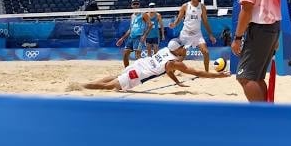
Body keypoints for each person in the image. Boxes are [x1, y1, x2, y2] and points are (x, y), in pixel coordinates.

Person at [232, 0, 282, 102]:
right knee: (257, 77)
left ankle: (263, 118)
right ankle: (266, 113)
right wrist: (275, 37)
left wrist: (237, 38)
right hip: (273, 27)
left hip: (260, 28)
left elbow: (246, 9)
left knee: (244, 76)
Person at [82, 38, 228, 91]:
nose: (185, 49)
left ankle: (86, 84)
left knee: (115, 77)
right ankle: (82, 86)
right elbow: (198, 73)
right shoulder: (175, 63)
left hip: (138, 65)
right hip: (138, 74)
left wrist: (177, 82)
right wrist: (218, 76)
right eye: (183, 47)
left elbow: (168, 71)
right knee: (110, 86)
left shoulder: (166, 50)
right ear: (177, 49)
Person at [169, 0, 217, 72]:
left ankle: (206, 72)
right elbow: (179, 18)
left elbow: (205, 21)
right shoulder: (185, 6)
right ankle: (172, 70)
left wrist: (210, 34)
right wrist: (174, 24)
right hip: (186, 33)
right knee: (182, 55)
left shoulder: (202, 7)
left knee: (206, 52)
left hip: (197, 34)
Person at [116, 0, 152, 67]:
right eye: (134, 4)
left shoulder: (143, 14)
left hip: (139, 37)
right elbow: (130, 29)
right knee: (125, 54)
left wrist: (144, 36)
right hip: (131, 37)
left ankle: (142, 71)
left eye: (137, 3)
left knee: (137, 55)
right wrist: (122, 39)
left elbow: (150, 25)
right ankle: (127, 70)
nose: (135, 5)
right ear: (131, 5)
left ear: (139, 5)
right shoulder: (132, 16)